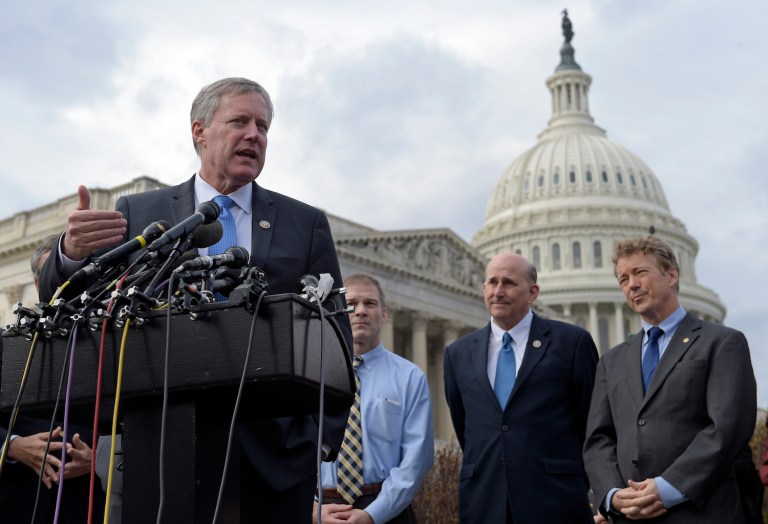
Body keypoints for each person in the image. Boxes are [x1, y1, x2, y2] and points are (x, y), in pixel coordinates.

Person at [37, 77, 352, 522]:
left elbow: (335, 337)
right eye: (239, 122)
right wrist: (69, 253)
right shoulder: (140, 214)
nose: (254, 135)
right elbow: (69, 304)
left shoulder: (304, 223)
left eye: (262, 126)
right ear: (199, 131)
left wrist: (318, 440)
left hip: (275, 463)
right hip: (161, 450)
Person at [583, 236, 757, 523]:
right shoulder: (611, 361)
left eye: (640, 272)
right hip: (631, 516)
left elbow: (727, 428)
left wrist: (667, 488)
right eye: (624, 279)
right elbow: (598, 439)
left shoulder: (721, 343)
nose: (632, 284)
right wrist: (612, 495)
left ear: (672, 274)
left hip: (701, 513)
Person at [443, 252, 598, 524]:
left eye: (509, 283)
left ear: (532, 292)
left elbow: (592, 425)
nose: (498, 291)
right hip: (484, 504)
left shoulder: (572, 343)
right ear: (484, 288)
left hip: (556, 503)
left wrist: (572, 480)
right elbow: (467, 429)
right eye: (492, 282)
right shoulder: (458, 354)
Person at [0, 235, 104, 523]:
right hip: (14, 503)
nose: (66, 285)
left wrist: (99, 460)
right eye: (56, 277)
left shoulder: (113, 340)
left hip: (86, 507)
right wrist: (12, 446)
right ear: (38, 284)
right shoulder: (7, 344)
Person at [314, 273, 434, 524]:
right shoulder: (311, 372)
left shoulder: (410, 377)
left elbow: (416, 460)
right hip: (321, 509)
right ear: (338, 311)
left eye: (370, 303)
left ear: (384, 313)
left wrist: (372, 514)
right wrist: (312, 510)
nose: (360, 311)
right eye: (352, 303)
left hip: (387, 510)